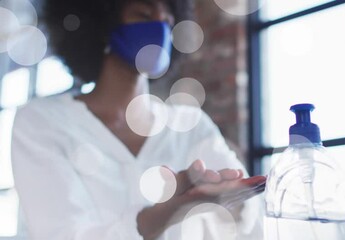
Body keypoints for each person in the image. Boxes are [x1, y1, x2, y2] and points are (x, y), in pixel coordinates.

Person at [11, 0, 265, 239]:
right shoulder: (42, 122)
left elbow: (249, 222)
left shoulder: (192, 126)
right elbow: (64, 234)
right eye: (143, 15)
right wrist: (163, 214)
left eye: (167, 22)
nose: (159, 29)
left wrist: (234, 202)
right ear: (102, 24)